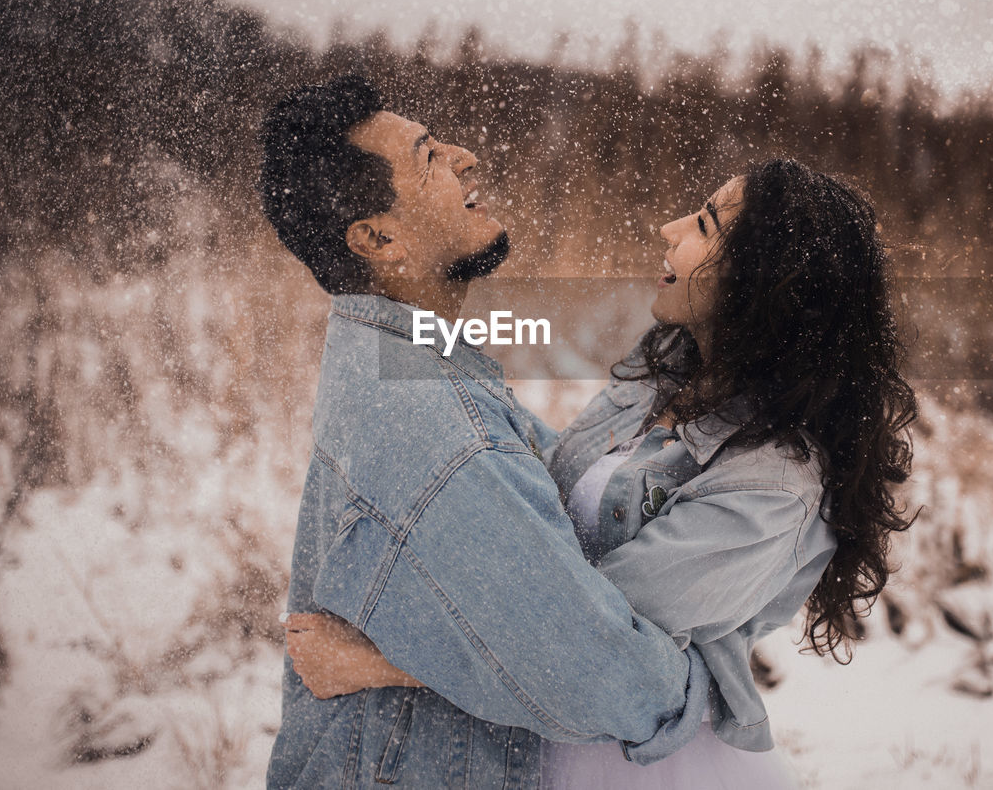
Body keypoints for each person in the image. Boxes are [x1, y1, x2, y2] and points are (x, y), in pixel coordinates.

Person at [285, 158, 919, 788]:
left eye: (703, 223)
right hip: (549, 746)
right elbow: (546, 482)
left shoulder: (773, 485)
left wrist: (380, 661)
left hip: (650, 764)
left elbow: (580, 644)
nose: (669, 227)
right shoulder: (668, 381)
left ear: (764, 280)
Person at [259, 74, 713, 790]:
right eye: (430, 156)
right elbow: (606, 680)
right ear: (379, 237)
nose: (467, 156)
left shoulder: (399, 366)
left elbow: (563, 508)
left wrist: (400, 665)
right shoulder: (439, 432)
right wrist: (712, 681)